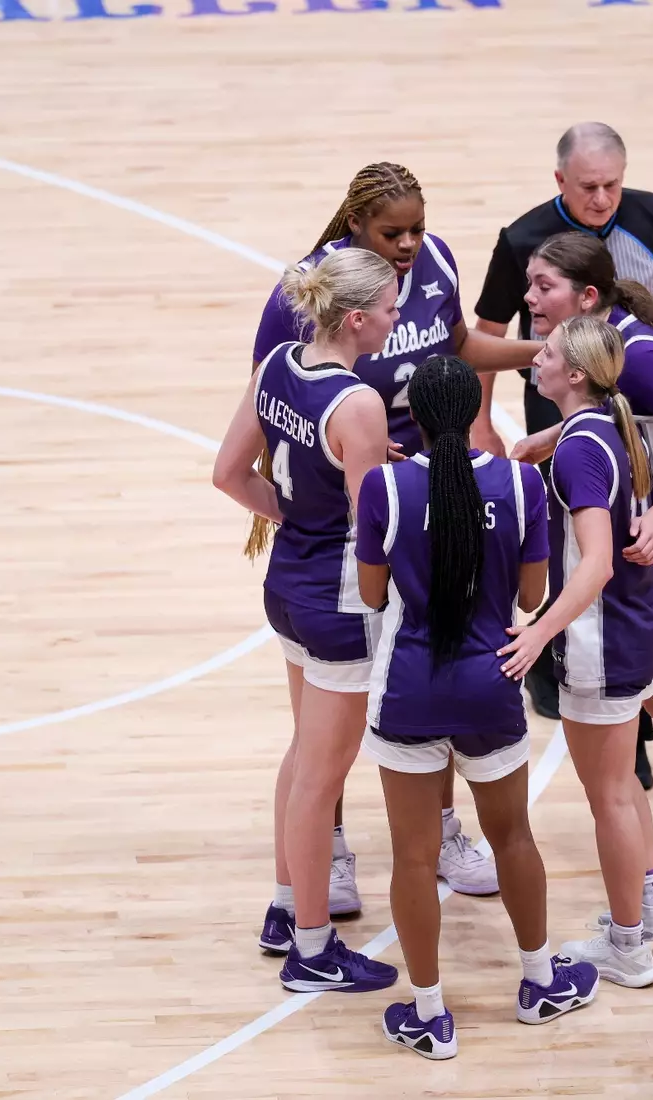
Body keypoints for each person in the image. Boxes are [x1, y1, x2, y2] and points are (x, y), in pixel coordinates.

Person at [251, 161, 539, 907]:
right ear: (355, 227)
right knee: (332, 725)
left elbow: (460, 349)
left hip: (429, 494)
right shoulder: (311, 291)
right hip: (362, 517)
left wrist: (540, 353)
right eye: (392, 234)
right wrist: (304, 509)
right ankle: (326, 859)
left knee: (424, 671)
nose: (410, 244)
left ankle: (439, 832)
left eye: (416, 229)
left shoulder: (436, 261)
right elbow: (271, 405)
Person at [504, 232, 653, 935]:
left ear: (587, 297)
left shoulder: (641, 353)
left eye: (545, 286)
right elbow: (625, 425)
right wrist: (552, 438)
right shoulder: (601, 353)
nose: (531, 298)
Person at [354, 355, 599, 1059]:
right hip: (492, 683)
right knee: (513, 836)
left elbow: (372, 596)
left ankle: (429, 1015)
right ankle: (540, 982)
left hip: (410, 688)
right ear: (473, 413)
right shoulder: (522, 484)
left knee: (413, 856)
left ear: (415, 417)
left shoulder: (384, 487)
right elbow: (532, 598)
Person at [473, 122, 653, 773]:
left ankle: (628, 723)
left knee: (617, 548)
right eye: (588, 186)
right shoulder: (523, 238)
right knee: (562, 544)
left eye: (611, 185)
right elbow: (486, 330)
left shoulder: (649, 216)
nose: (601, 198)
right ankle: (555, 666)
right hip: (562, 402)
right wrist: (482, 422)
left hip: (632, 415)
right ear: (560, 181)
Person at [212, 246, 399, 993]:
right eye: (388, 308)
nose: (395, 319)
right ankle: (313, 952)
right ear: (355, 320)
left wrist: (292, 516)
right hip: (338, 604)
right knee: (323, 777)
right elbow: (373, 530)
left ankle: (287, 908)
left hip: (287, 586)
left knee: (304, 758)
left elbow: (228, 474)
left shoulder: (277, 366)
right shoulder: (359, 404)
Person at [496, 315, 653, 989]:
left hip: (602, 642)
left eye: (546, 352)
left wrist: (540, 631)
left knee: (608, 797)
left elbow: (597, 562)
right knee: (622, 783)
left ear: (575, 374)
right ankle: (652, 907)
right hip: (638, 627)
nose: (536, 358)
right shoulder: (606, 424)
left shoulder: (580, 449)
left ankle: (628, 947)